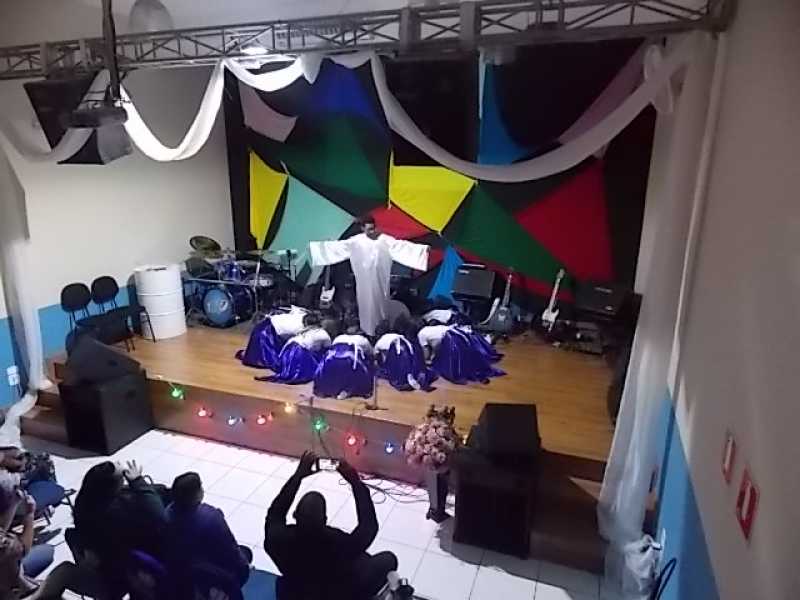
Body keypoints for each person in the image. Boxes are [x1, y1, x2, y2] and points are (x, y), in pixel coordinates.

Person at [264, 452, 397, 600]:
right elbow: (368, 527)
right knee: (387, 559)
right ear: (325, 519)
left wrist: (298, 476)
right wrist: (355, 482)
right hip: (339, 593)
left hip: (296, 592)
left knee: (361, 558)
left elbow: (275, 513)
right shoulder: (339, 543)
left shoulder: (278, 540)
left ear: (295, 515)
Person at [310, 215, 429, 336]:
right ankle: (367, 331)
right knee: (366, 305)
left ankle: (381, 329)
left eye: (373, 228)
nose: (372, 231)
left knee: (380, 304)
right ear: (362, 228)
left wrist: (422, 250)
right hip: (364, 279)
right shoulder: (356, 241)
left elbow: (400, 246)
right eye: (369, 229)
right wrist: (319, 248)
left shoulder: (384, 239)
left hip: (380, 279)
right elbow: (339, 247)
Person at [165, 472, 252, 595]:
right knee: (245, 554)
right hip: (215, 575)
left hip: (183, 573)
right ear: (197, 493)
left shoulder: (167, 514)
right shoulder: (211, 518)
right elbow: (231, 551)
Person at [0, 471, 51, 599]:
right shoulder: (5, 545)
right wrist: (29, 514)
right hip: (6, 588)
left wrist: (13, 503)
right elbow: (23, 548)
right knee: (48, 551)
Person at [258, 313, 331, 385]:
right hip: (299, 353)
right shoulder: (323, 334)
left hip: (287, 351)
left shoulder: (302, 330)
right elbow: (328, 351)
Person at [313, 320, 375, 400]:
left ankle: (330, 389)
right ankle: (350, 390)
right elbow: (371, 354)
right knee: (365, 368)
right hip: (350, 361)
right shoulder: (362, 339)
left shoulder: (339, 338)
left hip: (332, 360)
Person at [236, 305, 308, 370]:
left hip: (273, 328)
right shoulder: (299, 327)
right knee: (269, 358)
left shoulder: (303, 316)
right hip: (266, 332)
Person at [375, 318, 436, 392]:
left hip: (398, 366)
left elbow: (377, 359)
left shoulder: (379, 342)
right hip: (409, 362)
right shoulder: (401, 337)